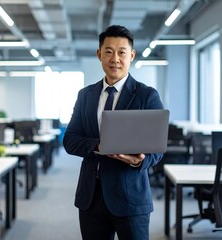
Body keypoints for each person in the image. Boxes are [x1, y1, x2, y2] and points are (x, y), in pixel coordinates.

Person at [63, 25, 164, 240]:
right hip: (91, 197)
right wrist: (99, 145)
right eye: (108, 51)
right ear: (99, 55)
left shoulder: (146, 96)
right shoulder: (85, 95)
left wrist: (139, 161)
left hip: (131, 196)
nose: (115, 58)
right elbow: (70, 140)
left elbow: (157, 148)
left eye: (122, 52)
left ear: (132, 56)